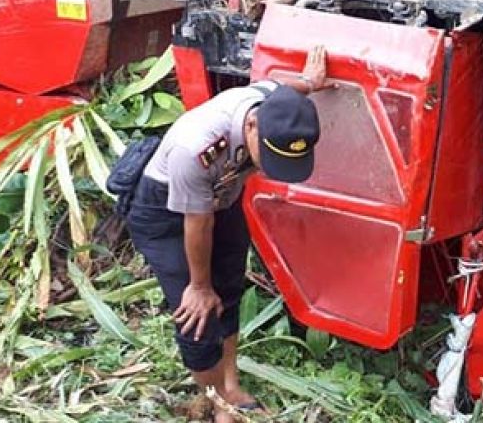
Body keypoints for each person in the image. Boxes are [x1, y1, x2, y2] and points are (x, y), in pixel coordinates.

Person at [125, 46, 330, 423]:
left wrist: (309, 83)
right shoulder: (198, 148)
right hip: (167, 212)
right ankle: (216, 403)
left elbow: (278, 87)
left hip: (220, 195)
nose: (269, 169)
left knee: (230, 287)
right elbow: (197, 223)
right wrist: (200, 286)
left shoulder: (269, 106)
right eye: (269, 157)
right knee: (198, 314)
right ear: (252, 127)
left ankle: (229, 387)